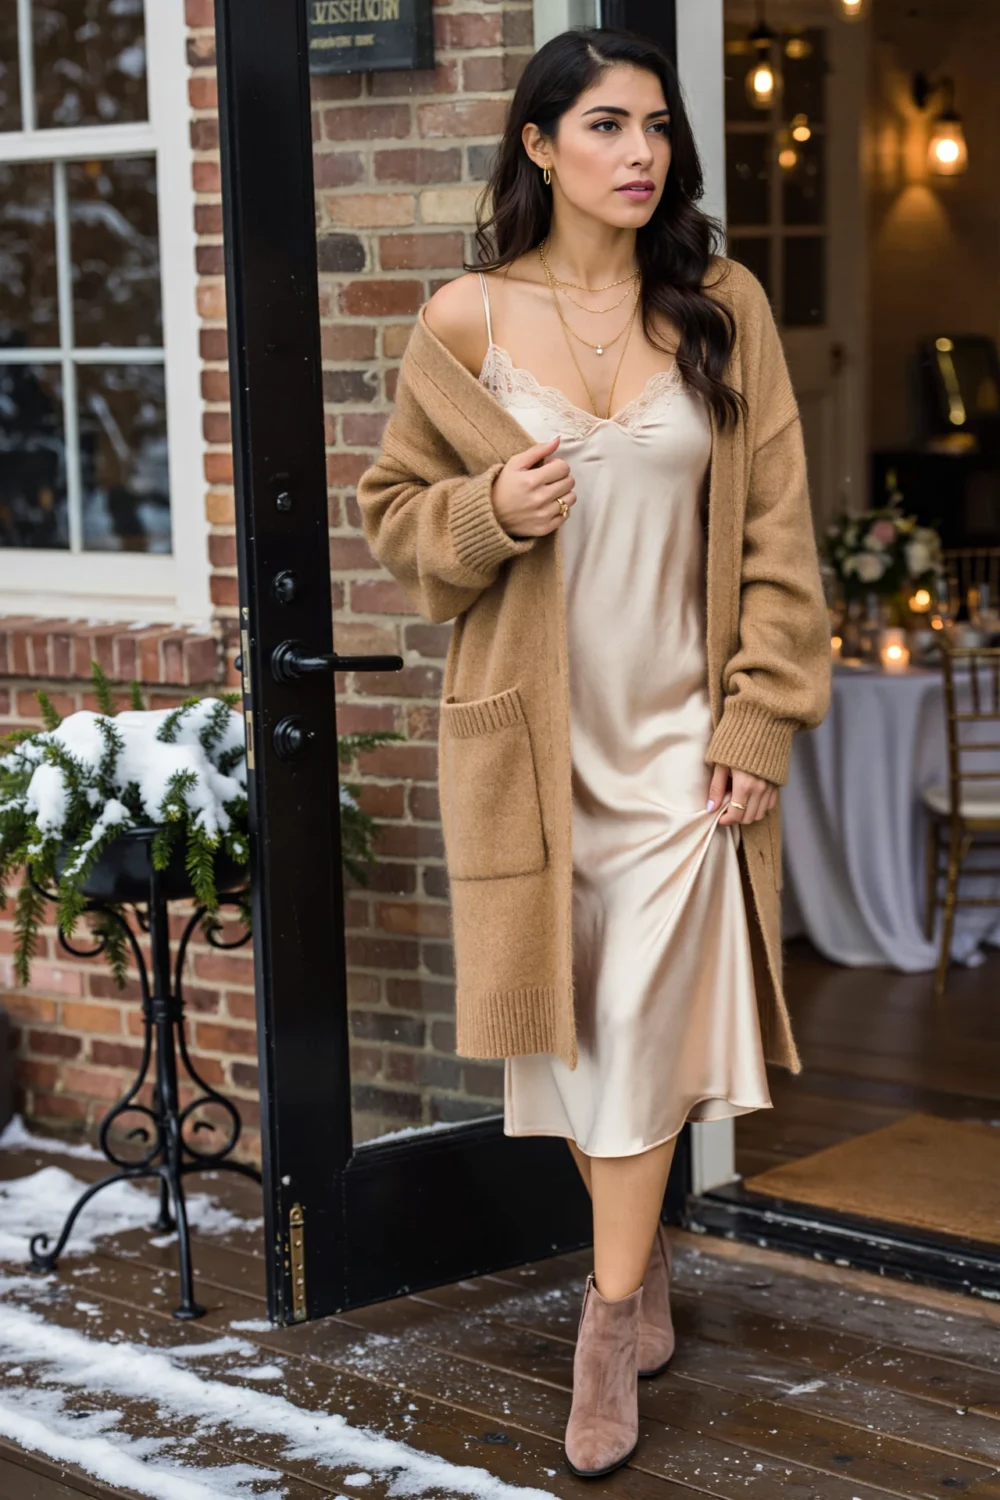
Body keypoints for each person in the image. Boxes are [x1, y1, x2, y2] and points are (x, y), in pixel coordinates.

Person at [356, 25, 831, 1480]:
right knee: (593, 1046)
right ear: (539, 145)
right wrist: (488, 506)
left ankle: (606, 1316)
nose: (641, 154)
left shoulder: (722, 309)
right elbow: (395, 522)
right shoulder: (463, 321)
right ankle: (648, 1263)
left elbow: (776, 540)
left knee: (634, 1039)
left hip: (686, 754)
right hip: (539, 749)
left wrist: (760, 716)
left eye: (659, 128)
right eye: (608, 126)